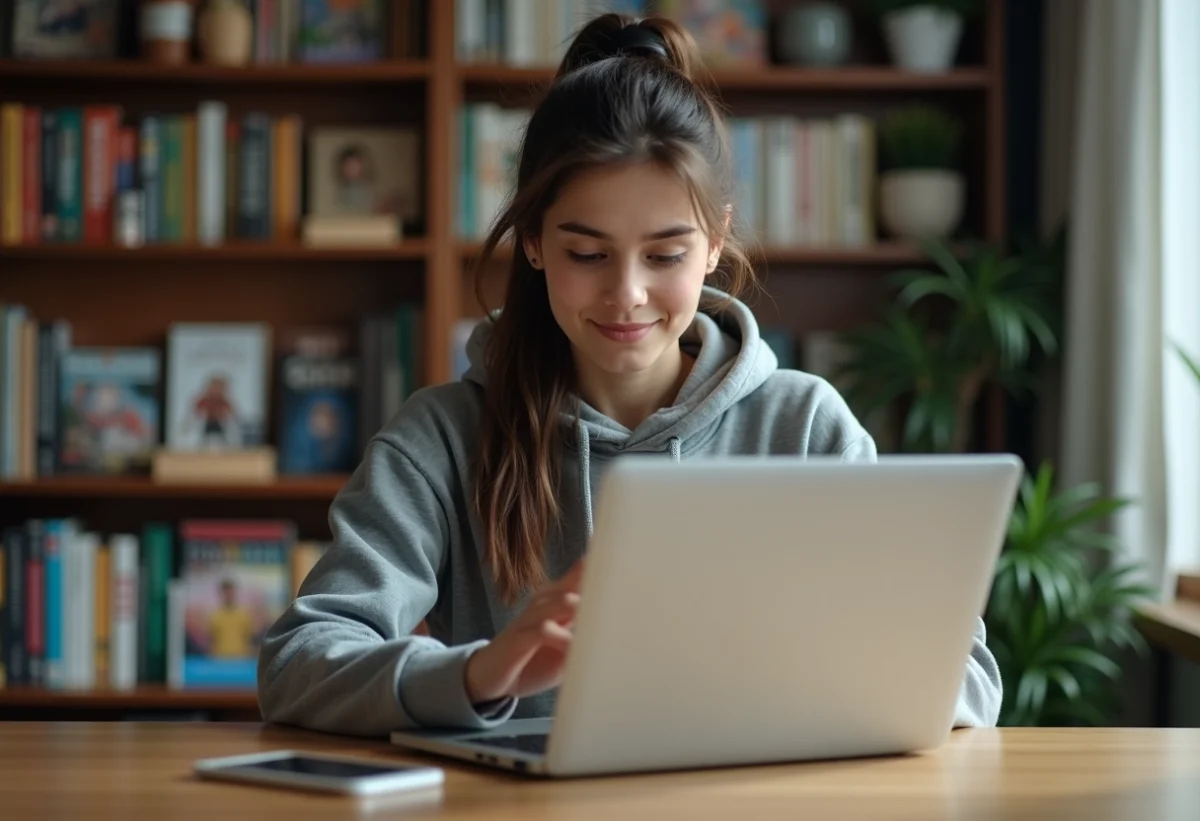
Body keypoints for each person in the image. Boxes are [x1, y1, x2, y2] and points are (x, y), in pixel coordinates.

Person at [257, 13, 1003, 738]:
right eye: (588, 254)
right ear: (535, 244)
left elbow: (969, 677)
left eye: (666, 254)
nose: (627, 294)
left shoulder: (805, 426)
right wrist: (482, 673)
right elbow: (296, 662)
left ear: (715, 244)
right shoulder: (444, 437)